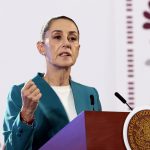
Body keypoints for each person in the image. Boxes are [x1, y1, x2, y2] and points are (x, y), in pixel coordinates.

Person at [3, 16, 102, 150]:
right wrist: (26, 113)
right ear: (41, 47)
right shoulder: (22, 93)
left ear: (78, 48)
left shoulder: (90, 94)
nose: (67, 43)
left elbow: (98, 142)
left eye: (72, 38)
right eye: (57, 37)